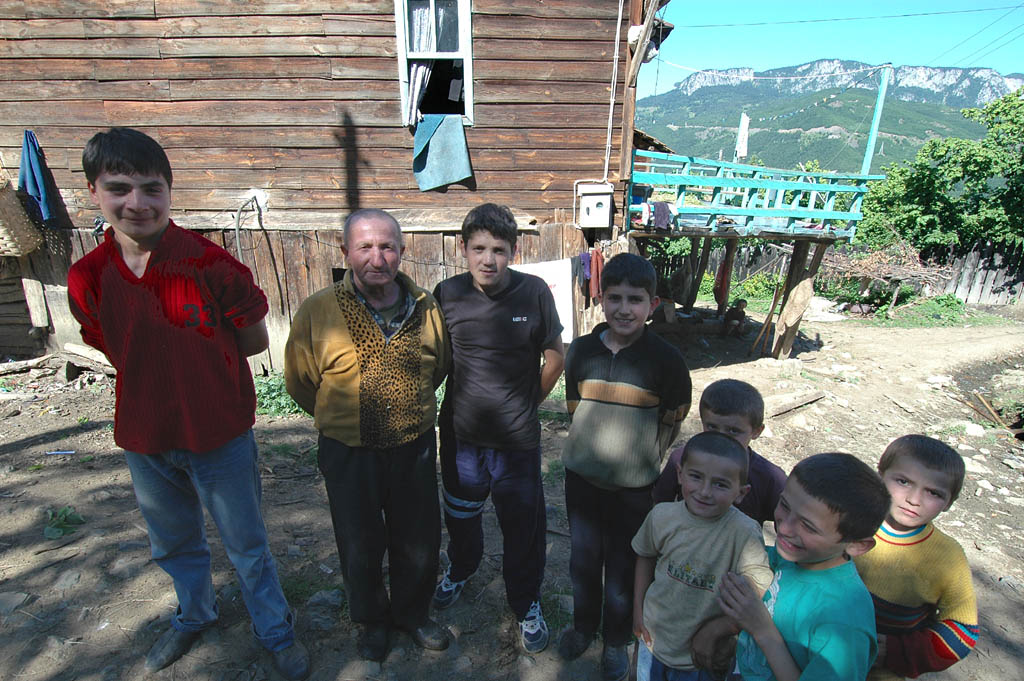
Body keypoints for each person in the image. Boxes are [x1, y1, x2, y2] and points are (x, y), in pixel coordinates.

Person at [66, 128, 309, 679]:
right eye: (119, 188)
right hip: (145, 435)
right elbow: (109, 343)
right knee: (173, 542)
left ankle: (275, 629)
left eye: (152, 188)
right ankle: (195, 614)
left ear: (169, 192)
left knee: (247, 544)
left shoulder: (209, 264)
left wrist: (201, 374)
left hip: (218, 432)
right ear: (93, 192)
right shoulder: (87, 277)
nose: (137, 203)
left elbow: (253, 339)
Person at [283, 209, 450, 662]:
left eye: (387, 247)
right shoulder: (318, 310)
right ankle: (372, 621)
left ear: (402, 251)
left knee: (418, 537)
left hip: (413, 445)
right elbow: (300, 381)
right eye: (365, 247)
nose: (377, 258)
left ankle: (413, 614)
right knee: (359, 541)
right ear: (345, 252)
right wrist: (344, 416)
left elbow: (438, 367)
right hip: (347, 451)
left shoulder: (426, 306)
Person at [431, 203, 564, 653]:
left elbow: (555, 358)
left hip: (516, 443)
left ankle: (525, 601)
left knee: (522, 529)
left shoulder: (534, 293)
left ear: (514, 250)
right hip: (462, 438)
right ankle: (461, 568)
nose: (488, 259)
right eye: (479, 249)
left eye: (499, 250)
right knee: (461, 516)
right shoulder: (447, 294)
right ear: (463, 249)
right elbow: (437, 359)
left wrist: (527, 404)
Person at [558, 253, 692, 681]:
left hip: (634, 489)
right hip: (581, 480)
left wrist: (646, 457)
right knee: (583, 559)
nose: (623, 309)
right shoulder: (581, 350)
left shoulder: (666, 360)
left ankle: (615, 639)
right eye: (614, 297)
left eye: (635, 300)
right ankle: (583, 626)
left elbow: (673, 416)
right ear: (600, 299)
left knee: (623, 565)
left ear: (652, 305)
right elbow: (575, 405)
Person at [708, 452, 890, 681]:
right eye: (784, 505)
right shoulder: (795, 556)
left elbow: (758, 620)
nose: (784, 529)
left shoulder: (844, 625)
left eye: (808, 526)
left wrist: (762, 630)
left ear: (856, 545)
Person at [633, 432, 773, 681]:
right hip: (653, 638)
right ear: (680, 474)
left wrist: (724, 628)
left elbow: (760, 588)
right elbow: (644, 556)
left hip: (701, 655)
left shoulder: (744, 533)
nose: (705, 491)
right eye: (696, 477)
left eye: (720, 484)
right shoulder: (662, 516)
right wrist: (637, 610)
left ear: (741, 492)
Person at [854, 435, 978, 681]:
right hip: (808, 649)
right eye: (903, 481)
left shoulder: (947, 557)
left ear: (949, 503)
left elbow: (964, 630)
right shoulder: (849, 519)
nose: (914, 500)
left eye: (933, 493)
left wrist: (894, 651)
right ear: (879, 476)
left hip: (878, 672)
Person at [652, 379, 786, 527]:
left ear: (756, 431)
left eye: (733, 431)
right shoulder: (682, 459)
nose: (720, 437)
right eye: (712, 427)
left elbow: (788, 526)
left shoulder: (769, 477)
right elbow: (659, 506)